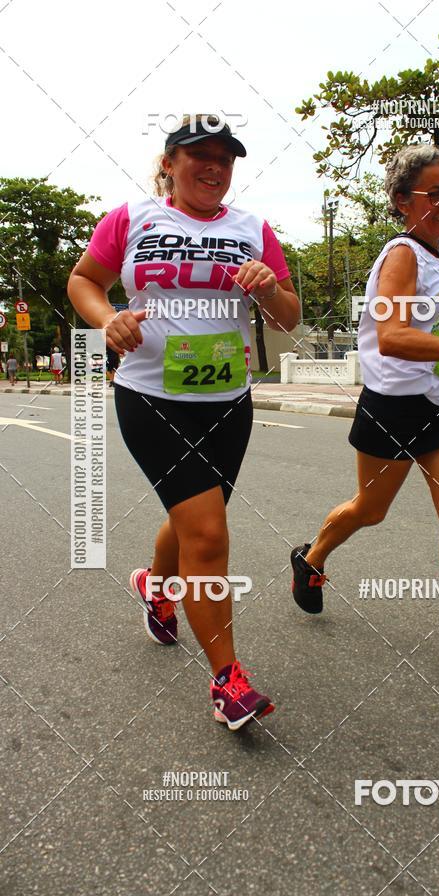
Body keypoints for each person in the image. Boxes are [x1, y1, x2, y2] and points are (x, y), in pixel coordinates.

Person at [68, 114, 300, 729]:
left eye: (226, 158)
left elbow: (286, 318)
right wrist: (105, 319)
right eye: (200, 154)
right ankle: (228, 680)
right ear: (170, 162)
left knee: (198, 519)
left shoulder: (253, 229)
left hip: (228, 401)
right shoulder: (133, 218)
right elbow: (84, 280)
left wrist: (269, 287)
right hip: (151, 396)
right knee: (208, 535)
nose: (214, 167)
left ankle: (154, 583)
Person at [291, 144, 439, 665]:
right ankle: (312, 557)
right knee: (369, 510)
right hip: (393, 406)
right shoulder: (401, 255)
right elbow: (392, 337)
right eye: (434, 194)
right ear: (401, 201)